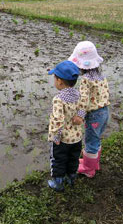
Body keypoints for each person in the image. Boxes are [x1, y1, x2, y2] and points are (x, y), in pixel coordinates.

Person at [69, 41, 110, 178]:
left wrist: (80, 115)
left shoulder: (86, 79)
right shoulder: (101, 76)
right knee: (96, 139)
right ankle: (93, 163)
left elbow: (84, 100)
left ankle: (88, 169)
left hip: (94, 115)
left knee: (90, 141)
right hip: (104, 112)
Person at [47, 60, 82, 191]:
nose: (54, 81)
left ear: (60, 81)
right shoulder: (78, 95)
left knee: (58, 160)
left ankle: (58, 183)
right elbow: (83, 109)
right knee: (73, 158)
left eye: (54, 78)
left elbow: (58, 119)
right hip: (76, 138)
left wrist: (56, 136)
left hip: (62, 139)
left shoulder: (58, 99)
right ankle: (71, 178)